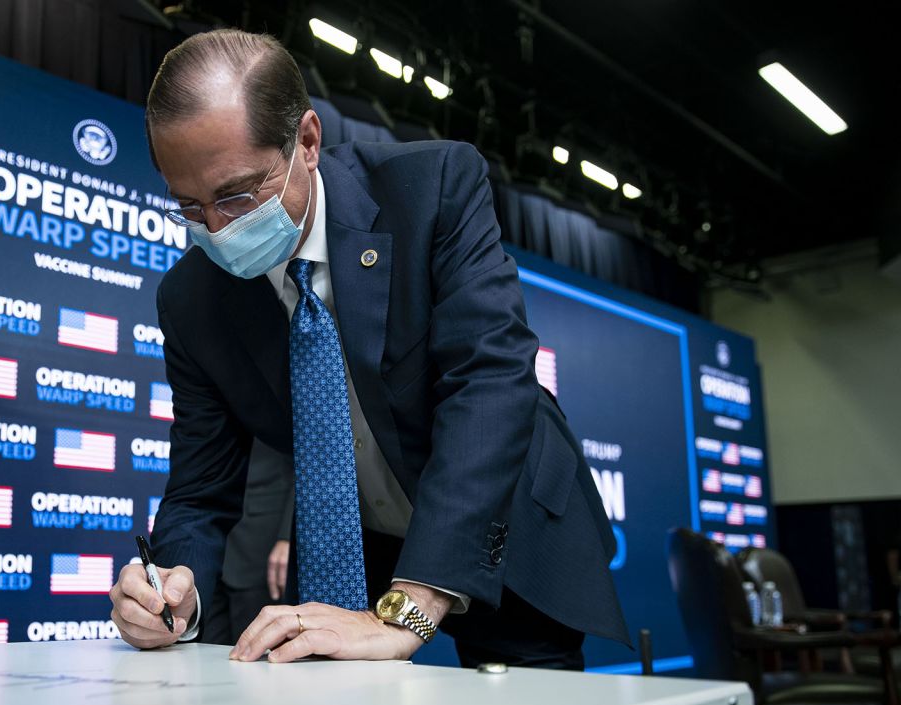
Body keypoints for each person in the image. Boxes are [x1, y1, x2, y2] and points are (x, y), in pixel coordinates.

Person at [109, 28, 628, 669]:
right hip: (356, 543)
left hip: (497, 512)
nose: (217, 228)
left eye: (238, 195)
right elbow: (200, 486)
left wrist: (411, 606)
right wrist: (173, 586)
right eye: (189, 205)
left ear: (306, 141)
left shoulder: (432, 187)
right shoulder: (191, 299)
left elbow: (491, 383)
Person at [201, 440, 295, 645]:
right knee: (206, 653)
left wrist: (287, 536)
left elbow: (308, 465)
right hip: (211, 544)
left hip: (264, 543)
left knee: (255, 653)